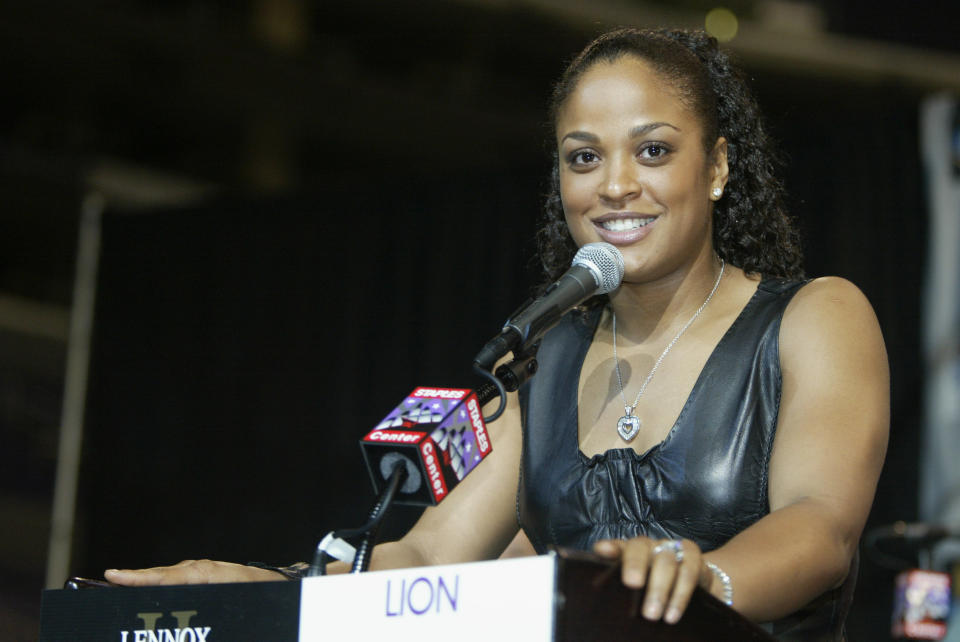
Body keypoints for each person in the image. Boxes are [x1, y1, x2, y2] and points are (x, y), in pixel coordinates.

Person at [105, 27, 889, 639]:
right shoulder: (545, 362)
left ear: (716, 168)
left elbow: (819, 526)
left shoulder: (814, 317)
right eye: (585, 157)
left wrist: (698, 581)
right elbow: (428, 555)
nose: (616, 183)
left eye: (653, 150)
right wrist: (272, 592)